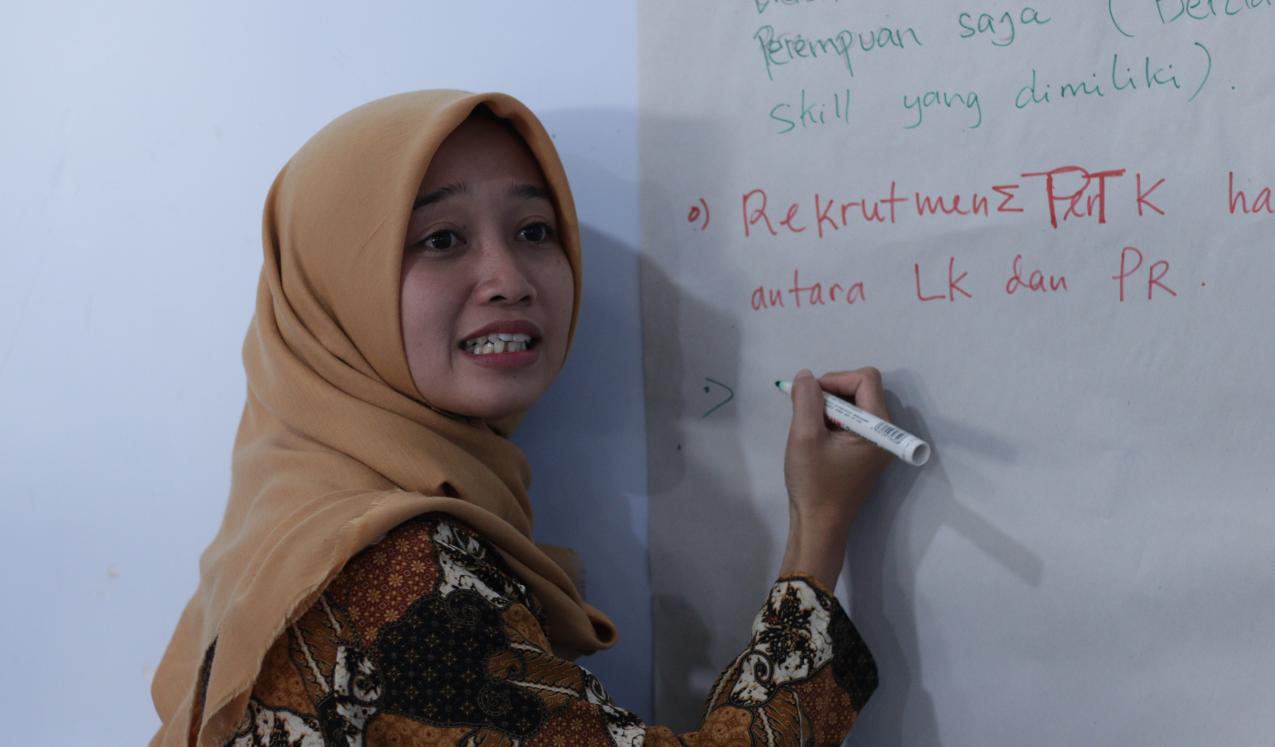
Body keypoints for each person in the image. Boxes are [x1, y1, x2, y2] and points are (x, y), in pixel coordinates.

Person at [149, 89, 894, 747]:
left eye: (534, 230)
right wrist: (818, 532)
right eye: (441, 240)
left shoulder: (280, 532)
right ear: (335, 292)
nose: (509, 279)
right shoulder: (393, 566)